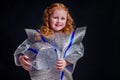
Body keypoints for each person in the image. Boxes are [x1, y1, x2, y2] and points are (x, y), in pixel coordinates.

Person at [14, 3, 86, 80]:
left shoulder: (71, 37)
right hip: (42, 75)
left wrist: (66, 62)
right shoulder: (39, 35)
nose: (59, 21)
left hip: (63, 76)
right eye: (55, 17)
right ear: (48, 18)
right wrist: (21, 57)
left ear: (67, 19)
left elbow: (78, 51)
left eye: (62, 18)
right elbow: (24, 47)